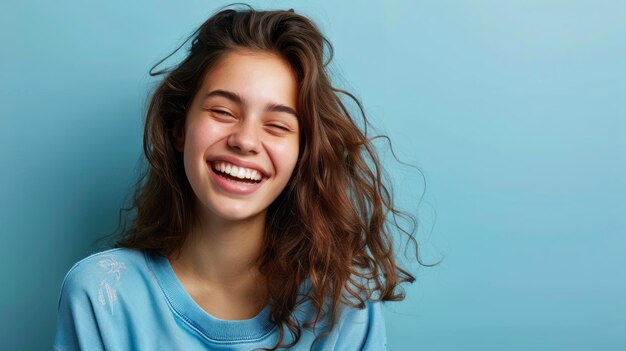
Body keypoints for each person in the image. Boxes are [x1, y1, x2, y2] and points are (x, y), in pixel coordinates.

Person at [54, 5, 423, 350]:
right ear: (179, 128)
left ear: (302, 154)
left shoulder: (343, 307)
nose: (245, 141)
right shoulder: (101, 295)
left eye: (277, 125)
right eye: (223, 111)